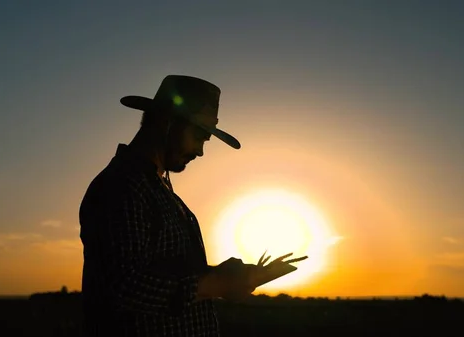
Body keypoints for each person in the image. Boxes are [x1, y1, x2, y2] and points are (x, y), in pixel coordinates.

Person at [79, 75, 303, 337]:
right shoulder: (123, 186)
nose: (200, 151)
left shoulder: (157, 189)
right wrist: (217, 284)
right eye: (199, 136)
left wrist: (223, 277)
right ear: (166, 122)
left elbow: (159, 274)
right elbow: (122, 286)